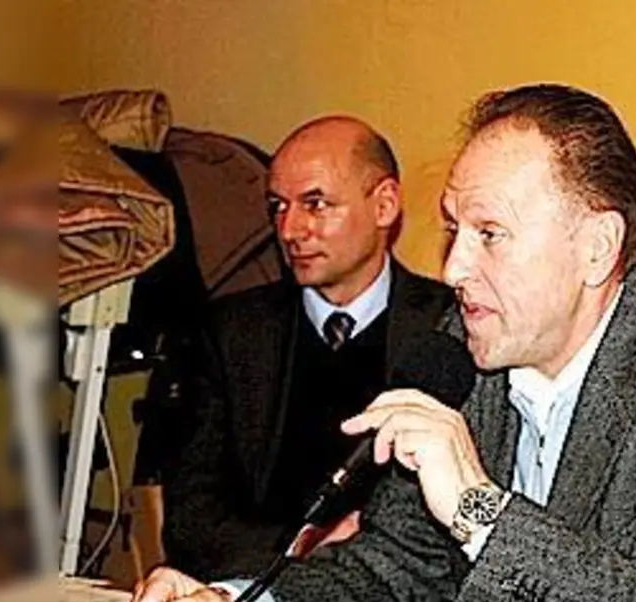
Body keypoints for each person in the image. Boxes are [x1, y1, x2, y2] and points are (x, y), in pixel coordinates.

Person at [132, 85, 636, 602]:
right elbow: (396, 563)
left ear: (597, 248)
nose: (455, 267)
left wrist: (479, 509)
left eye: (490, 235)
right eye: (455, 229)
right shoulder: (461, 351)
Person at [161, 116, 452, 578]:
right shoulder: (230, 334)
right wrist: (302, 547)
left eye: (316, 204)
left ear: (385, 205)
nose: (291, 229)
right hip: (256, 596)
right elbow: (191, 519)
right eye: (277, 206)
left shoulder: (449, 329)